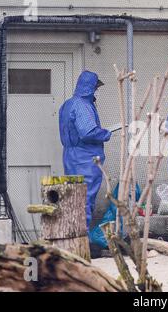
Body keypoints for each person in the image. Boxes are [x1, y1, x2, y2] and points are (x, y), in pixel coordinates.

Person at [59, 71, 111, 228]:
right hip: (86, 158)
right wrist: (105, 133)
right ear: (91, 88)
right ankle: (82, 242)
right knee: (84, 200)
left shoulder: (67, 104)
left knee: (73, 198)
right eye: (96, 88)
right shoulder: (83, 105)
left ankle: (73, 237)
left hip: (70, 156)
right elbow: (88, 132)